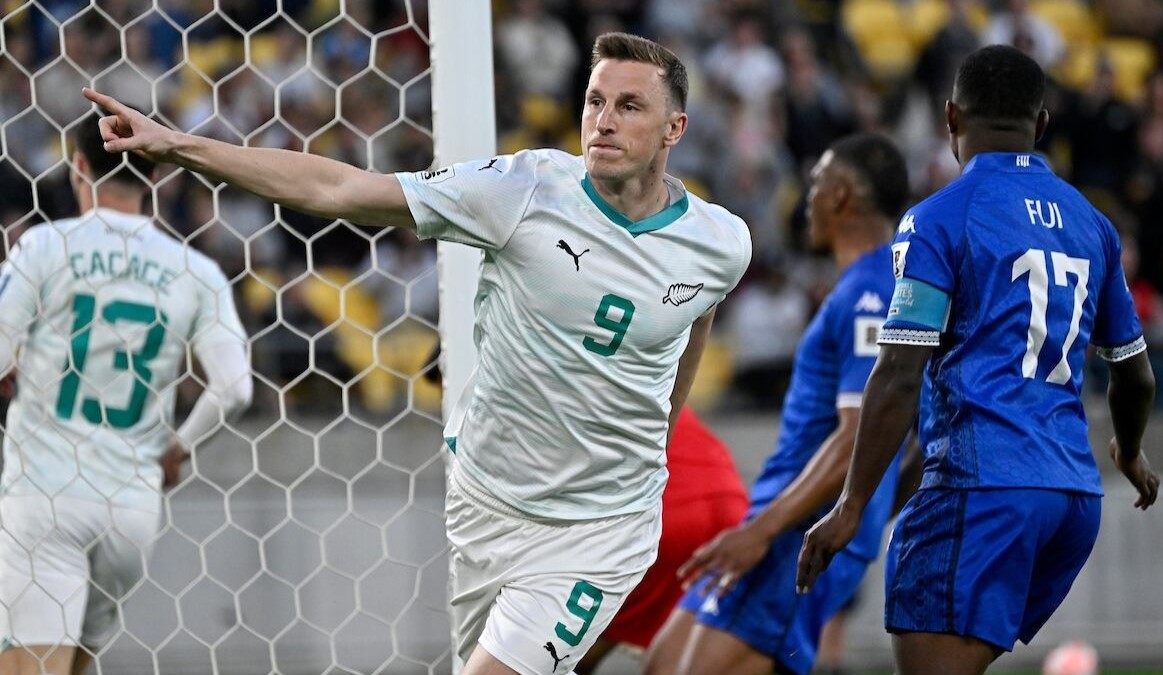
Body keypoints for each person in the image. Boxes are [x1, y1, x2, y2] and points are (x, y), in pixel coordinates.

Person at [82, 30, 752, 675]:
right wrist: (178, 145)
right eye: (594, 101)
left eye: (629, 105)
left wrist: (657, 441)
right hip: (487, 501)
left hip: (600, 530)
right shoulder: (523, 189)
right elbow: (338, 189)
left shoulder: (720, 241)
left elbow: (695, 318)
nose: (603, 120)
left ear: (674, 129)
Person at [797, 45, 1160, 675]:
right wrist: (1127, 452)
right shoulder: (1094, 225)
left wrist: (852, 504)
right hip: (1073, 497)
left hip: (982, 486)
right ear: (1042, 124)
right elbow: (1135, 372)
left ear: (950, 120)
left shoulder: (937, 219)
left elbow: (900, 372)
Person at [643, 132, 911, 675]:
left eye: (815, 183)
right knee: (662, 665)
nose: (804, 196)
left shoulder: (873, 290)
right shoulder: (872, 286)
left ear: (840, 196)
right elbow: (914, 438)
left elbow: (861, 431)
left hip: (791, 536)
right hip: (781, 521)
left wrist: (773, 532)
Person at [0, 114, 253, 675]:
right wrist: (178, 449)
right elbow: (235, 389)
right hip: (130, 510)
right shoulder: (197, 270)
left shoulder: (44, 246)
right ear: (154, 178)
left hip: (47, 494)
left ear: (80, 168)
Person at [575, 406, 748, 674]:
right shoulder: (653, 377)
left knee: (554, 654)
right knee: (677, 656)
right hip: (730, 506)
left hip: (665, 517)